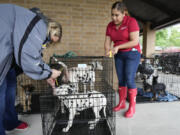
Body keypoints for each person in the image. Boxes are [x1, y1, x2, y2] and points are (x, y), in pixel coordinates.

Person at [0, 4, 62, 135]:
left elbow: (33, 56)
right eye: (50, 40)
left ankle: (9, 122)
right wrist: (49, 72)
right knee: (1, 91)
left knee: (10, 85)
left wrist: (46, 74)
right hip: (2, 51)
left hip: (6, 56)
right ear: (50, 30)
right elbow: (28, 58)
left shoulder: (34, 27)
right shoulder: (38, 27)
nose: (48, 44)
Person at [104, 1, 141, 118]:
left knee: (129, 79)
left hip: (132, 53)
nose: (114, 18)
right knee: (121, 80)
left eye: (117, 15)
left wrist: (118, 47)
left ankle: (132, 106)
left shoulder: (131, 22)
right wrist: (107, 51)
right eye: (112, 15)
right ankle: (121, 103)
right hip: (119, 55)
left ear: (124, 13)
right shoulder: (110, 25)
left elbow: (135, 41)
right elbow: (107, 42)